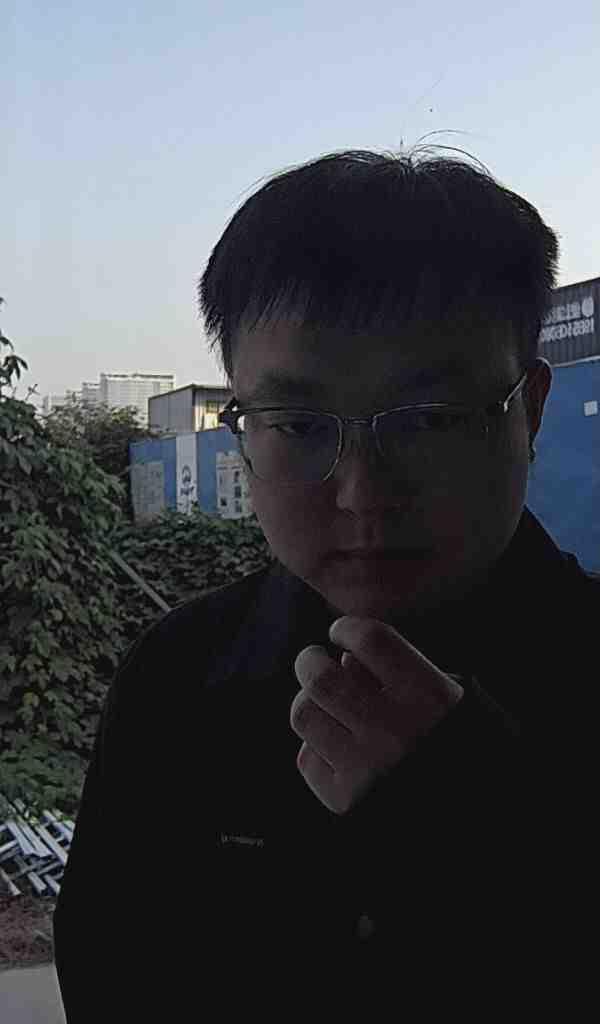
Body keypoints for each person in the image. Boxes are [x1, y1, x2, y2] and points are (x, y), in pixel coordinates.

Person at [53, 148, 599, 1019]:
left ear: (528, 410)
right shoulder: (174, 683)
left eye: (428, 421)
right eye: (299, 425)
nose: (362, 493)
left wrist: (482, 827)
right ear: (243, 428)